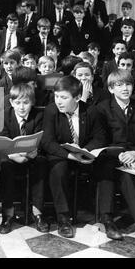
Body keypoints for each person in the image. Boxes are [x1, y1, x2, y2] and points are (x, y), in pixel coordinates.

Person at [41, 76, 107, 239]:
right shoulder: (51, 110)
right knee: (58, 168)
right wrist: (71, 155)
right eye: (56, 96)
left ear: (77, 97)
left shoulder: (91, 111)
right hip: (62, 155)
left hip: (85, 155)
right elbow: (47, 142)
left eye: (64, 97)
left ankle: (105, 217)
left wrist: (85, 151)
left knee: (106, 165)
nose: (59, 101)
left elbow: (100, 137)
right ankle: (63, 218)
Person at [95, 70, 135, 236]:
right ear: (110, 89)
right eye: (119, 85)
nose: (125, 88)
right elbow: (100, 140)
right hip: (111, 157)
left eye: (128, 84)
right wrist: (120, 155)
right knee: (125, 174)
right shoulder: (102, 109)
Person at [0, 83, 49, 234]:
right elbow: (2, 139)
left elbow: (43, 137)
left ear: (32, 102)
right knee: (6, 167)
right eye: (17, 103)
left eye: (26, 103)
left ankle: (37, 212)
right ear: (11, 102)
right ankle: (8, 214)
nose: (21, 107)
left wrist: (34, 152)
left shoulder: (39, 115)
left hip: (33, 156)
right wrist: (14, 156)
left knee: (41, 163)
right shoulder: (4, 115)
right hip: (11, 157)